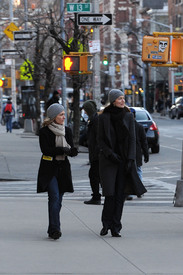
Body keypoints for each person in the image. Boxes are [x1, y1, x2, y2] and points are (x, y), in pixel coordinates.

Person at [98, 89, 147, 237]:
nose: (122, 101)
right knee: (110, 194)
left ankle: (116, 226)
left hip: (124, 161)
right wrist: (110, 154)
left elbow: (133, 139)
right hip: (109, 161)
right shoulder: (104, 117)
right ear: (113, 101)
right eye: (119, 98)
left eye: (123, 98)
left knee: (120, 195)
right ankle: (106, 224)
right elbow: (100, 140)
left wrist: (131, 159)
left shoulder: (128, 116)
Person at [37, 103, 78, 240]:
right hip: (49, 169)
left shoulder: (67, 130)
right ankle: (55, 229)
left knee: (58, 200)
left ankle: (51, 227)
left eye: (63, 114)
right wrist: (62, 150)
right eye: (61, 114)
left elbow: (71, 148)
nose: (63, 117)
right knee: (54, 196)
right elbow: (46, 150)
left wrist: (72, 152)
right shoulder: (44, 132)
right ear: (54, 117)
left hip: (63, 168)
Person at [126, 108, 149, 200]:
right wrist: (146, 154)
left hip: (130, 153)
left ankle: (132, 193)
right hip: (135, 153)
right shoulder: (139, 126)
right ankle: (138, 191)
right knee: (138, 171)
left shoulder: (126, 126)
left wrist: (146, 154)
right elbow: (144, 142)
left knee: (132, 172)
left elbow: (144, 142)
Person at [82, 100, 101, 205]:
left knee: (94, 175)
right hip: (95, 154)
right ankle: (97, 196)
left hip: (97, 155)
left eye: (85, 110)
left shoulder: (95, 120)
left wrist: (96, 153)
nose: (84, 112)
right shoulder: (93, 119)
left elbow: (98, 138)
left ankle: (97, 197)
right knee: (96, 176)